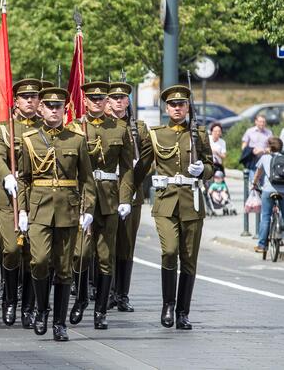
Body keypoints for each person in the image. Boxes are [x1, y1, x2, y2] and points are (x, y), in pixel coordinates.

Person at [16, 87, 96, 340]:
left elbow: (87, 179)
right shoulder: (29, 140)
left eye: (58, 106)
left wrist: (88, 209)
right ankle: (41, 310)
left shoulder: (76, 139)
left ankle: (59, 324)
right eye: (49, 106)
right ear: (41, 109)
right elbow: (24, 179)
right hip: (39, 210)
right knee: (39, 261)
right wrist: (21, 209)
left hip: (68, 210)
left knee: (63, 268)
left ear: (65, 110)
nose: (53, 110)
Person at [137, 85, 214, 331]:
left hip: (192, 201)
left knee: (189, 259)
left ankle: (183, 312)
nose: (177, 108)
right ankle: (168, 305)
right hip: (166, 202)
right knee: (169, 251)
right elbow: (142, 167)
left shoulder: (199, 133)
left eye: (181, 104)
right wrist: (125, 194)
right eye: (173, 105)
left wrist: (203, 170)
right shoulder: (157, 134)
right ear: (166, 108)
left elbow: (212, 166)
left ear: (188, 107)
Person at [68, 81, 134, 330]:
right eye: (92, 99)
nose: (96, 102)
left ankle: (101, 310)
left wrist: (125, 199)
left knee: (106, 257)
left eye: (101, 99)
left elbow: (127, 168)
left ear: (106, 102)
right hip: (82, 199)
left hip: (108, 198)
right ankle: (82, 298)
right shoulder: (73, 128)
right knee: (81, 254)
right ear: (84, 101)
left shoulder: (119, 128)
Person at [0, 78, 43, 328]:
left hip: (38, 197)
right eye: (25, 97)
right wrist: (7, 174)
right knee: (10, 250)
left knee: (33, 254)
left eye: (34, 97)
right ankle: (9, 300)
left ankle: (28, 307)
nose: (30, 100)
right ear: (16, 102)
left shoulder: (46, 128)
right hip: (10, 196)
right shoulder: (4, 128)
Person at [106, 82, 151, 313]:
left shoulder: (139, 129)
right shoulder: (102, 126)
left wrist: (134, 176)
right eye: (114, 98)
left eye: (123, 97)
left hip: (130, 192)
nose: (119, 101)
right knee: (106, 245)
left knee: (126, 245)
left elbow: (147, 160)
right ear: (108, 101)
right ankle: (106, 290)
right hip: (106, 190)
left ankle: (122, 294)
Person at [252, 137, 284, 253]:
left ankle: (262, 246)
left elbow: (257, 174)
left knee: (265, 216)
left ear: (270, 147)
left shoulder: (265, 158)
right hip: (283, 191)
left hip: (268, 190)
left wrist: (254, 184)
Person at [242, 115, 272, 181]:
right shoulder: (249, 131)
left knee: (262, 183)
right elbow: (244, 146)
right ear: (256, 122)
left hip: (264, 159)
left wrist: (263, 151)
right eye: (260, 121)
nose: (262, 124)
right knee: (254, 182)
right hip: (252, 160)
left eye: (264, 122)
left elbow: (271, 148)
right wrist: (251, 150)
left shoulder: (269, 133)